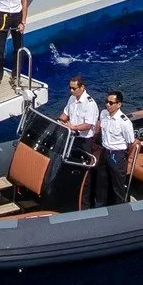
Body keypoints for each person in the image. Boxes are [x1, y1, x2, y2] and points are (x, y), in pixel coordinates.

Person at [59, 75, 99, 208]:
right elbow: (65, 114)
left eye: (74, 88)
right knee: (70, 168)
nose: (71, 91)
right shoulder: (71, 99)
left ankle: (85, 205)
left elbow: (88, 125)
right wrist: (59, 121)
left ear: (82, 87)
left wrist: (73, 127)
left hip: (84, 141)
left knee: (84, 174)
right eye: (70, 88)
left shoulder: (90, 104)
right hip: (72, 139)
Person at [94, 90, 136, 207]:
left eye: (111, 103)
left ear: (119, 104)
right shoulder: (103, 114)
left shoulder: (124, 122)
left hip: (117, 155)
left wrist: (123, 156)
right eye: (106, 102)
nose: (107, 104)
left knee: (117, 186)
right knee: (101, 183)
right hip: (105, 152)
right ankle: (99, 207)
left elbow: (130, 141)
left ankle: (120, 210)